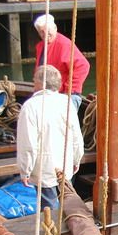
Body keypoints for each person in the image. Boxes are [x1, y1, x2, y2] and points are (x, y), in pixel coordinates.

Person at [17, 65, 84, 210]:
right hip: (65, 165)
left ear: (41, 83)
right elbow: (76, 136)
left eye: (34, 78)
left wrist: (25, 171)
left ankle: (52, 232)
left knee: (49, 208)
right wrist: (77, 158)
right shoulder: (65, 102)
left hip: (44, 169)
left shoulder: (30, 107)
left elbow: (28, 144)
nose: (33, 80)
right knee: (68, 200)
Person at [33, 13, 90, 111]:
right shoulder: (41, 46)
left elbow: (83, 66)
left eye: (48, 30)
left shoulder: (64, 45)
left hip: (66, 95)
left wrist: (68, 90)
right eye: (41, 31)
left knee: (64, 124)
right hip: (49, 95)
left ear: (55, 27)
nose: (45, 34)